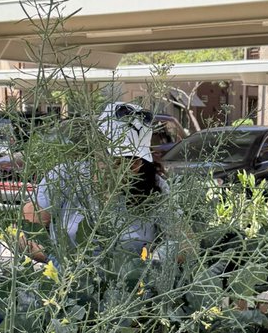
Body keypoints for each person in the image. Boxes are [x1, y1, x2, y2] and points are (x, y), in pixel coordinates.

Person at [22, 103, 166, 260]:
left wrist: (154, 261)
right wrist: (57, 261)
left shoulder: (157, 187)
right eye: (113, 157)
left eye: (131, 160)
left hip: (133, 283)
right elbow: (26, 233)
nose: (127, 167)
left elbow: (185, 244)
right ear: (95, 147)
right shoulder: (65, 176)